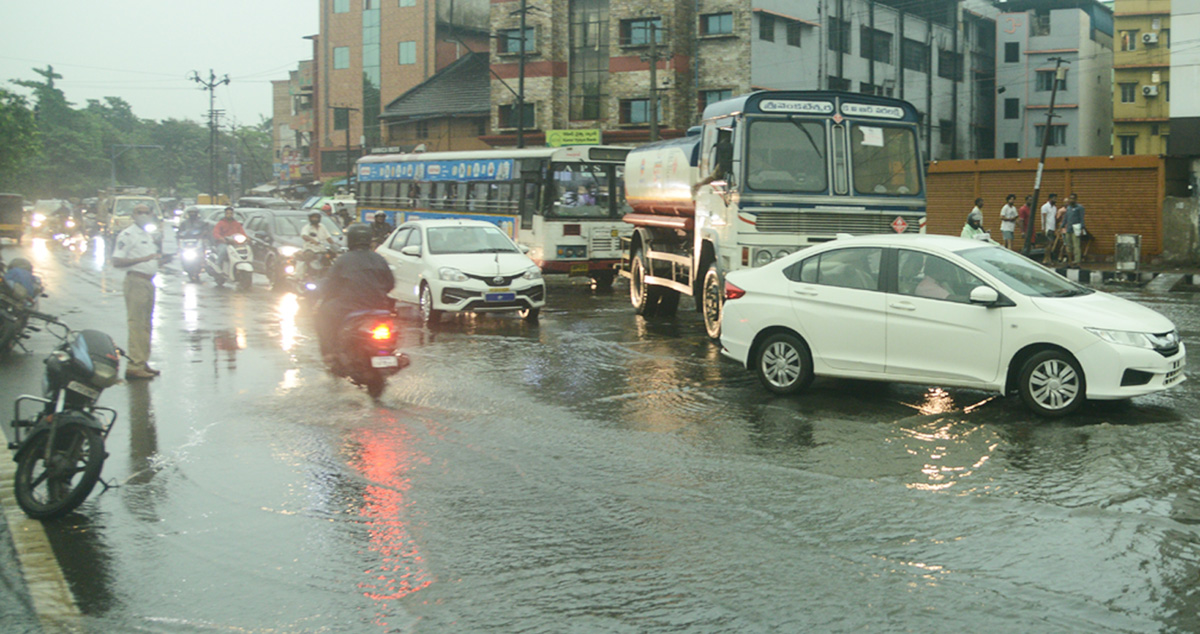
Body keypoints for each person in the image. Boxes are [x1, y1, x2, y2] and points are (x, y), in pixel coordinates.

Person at [316, 223, 395, 361]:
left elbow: (330, 285)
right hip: (379, 306)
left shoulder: (343, 260)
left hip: (350, 306)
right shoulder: (379, 259)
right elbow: (390, 283)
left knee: (323, 313)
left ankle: (330, 353)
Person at [111, 205, 165, 380]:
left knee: (146, 324)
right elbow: (117, 261)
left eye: (146, 213)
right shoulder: (127, 235)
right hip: (136, 281)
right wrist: (142, 259)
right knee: (136, 324)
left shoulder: (147, 235)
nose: (143, 216)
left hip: (148, 282)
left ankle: (142, 361)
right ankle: (134, 364)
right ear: (133, 215)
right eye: (139, 212)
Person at [692, 129, 734, 194]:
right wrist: (700, 184)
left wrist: (700, 184)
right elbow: (714, 176)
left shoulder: (724, 163)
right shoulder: (723, 164)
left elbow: (713, 177)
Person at [297, 211, 336, 278]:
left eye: (316, 217)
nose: (315, 219)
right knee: (308, 257)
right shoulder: (307, 227)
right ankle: (306, 274)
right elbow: (304, 236)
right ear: (310, 219)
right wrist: (312, 240)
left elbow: (328, 237)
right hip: (310, 249)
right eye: (313, 218)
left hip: (321, 249)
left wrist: (335, 244)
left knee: (330, 258)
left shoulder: (323, 227)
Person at [1064, 193, 1086, 267]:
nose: (1071, 200)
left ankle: (1077, 262)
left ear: (1076, 199)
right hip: (1068, 229)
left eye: (1073, 198)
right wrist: (1062, 226)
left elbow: (1082, 218)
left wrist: (1082, 228)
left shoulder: (1080, 208)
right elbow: (1065, 218)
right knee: (1068, 246)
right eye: (1070, 198)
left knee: (1076, 246)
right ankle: (1070, 262)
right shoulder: (1068, 208)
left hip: (1076, 229)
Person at [1041, 193, 1058, 263]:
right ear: (1049, 199)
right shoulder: (1045, 207)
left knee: (1050, 244)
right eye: (1053, 198)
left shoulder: (1055, 208)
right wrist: (1043, 228)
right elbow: (1044, 218)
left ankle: (1048, 258)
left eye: (1055, 198)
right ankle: (1046, 259)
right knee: (1048, 244)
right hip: (1047, 228)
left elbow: (1054, 218)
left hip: (1052, 227)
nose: (1055, 200)